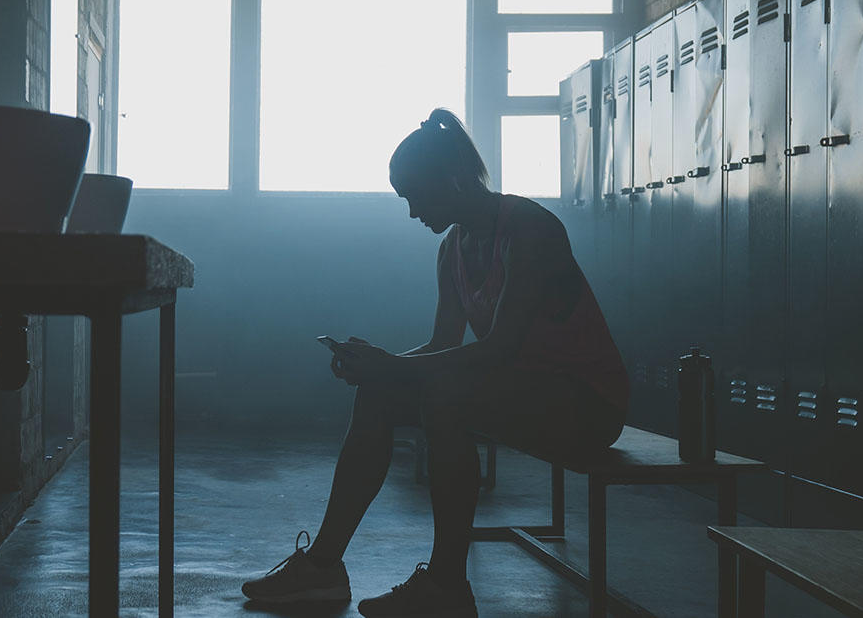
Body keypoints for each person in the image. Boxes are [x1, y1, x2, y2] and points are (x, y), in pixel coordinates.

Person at [241, 108, 629, 617]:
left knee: (447, 396)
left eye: (415, 196)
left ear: (453, 180)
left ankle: (447, 586)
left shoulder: (531, 229)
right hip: (519, 391)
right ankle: (323, 568)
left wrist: (392, 366)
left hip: (585, 405)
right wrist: (379, 367)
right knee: (379, 392)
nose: (411, 212)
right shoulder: (453, 247)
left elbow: (498, 349)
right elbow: (444, 342)